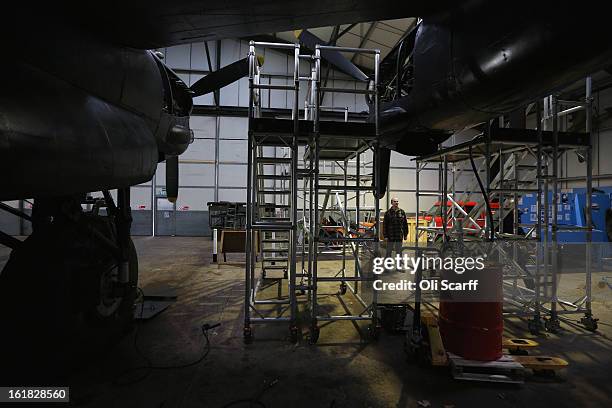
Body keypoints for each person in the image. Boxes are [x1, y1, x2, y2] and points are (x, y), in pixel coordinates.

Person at [383, 197, 408, 266]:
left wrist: (405, 234)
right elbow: (385, 225)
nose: (396, 203)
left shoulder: (402, 212)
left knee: (399, 252)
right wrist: (385, 236)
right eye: (395, 201)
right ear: (391, 203)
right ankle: (387, 266)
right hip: (390, 236)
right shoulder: (387, 213)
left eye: (397, 201)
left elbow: (405, 224)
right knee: (388, 252)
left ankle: (399, 266)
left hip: (399, 235)